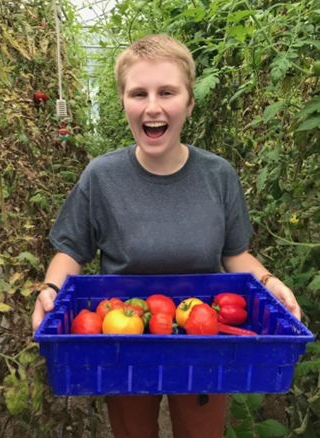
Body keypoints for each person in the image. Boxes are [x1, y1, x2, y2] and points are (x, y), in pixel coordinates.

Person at [32, 34, 300, 438]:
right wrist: (50, 288)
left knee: (200, 431)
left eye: (167, 92)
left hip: (205, 336)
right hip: (124, 339)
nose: (152, 106)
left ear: (189, 103)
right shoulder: (102, 178)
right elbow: (71, 250)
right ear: (124, 101)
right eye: (139, 93)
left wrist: (268, 282)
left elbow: (236, 254)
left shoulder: (218, 176)